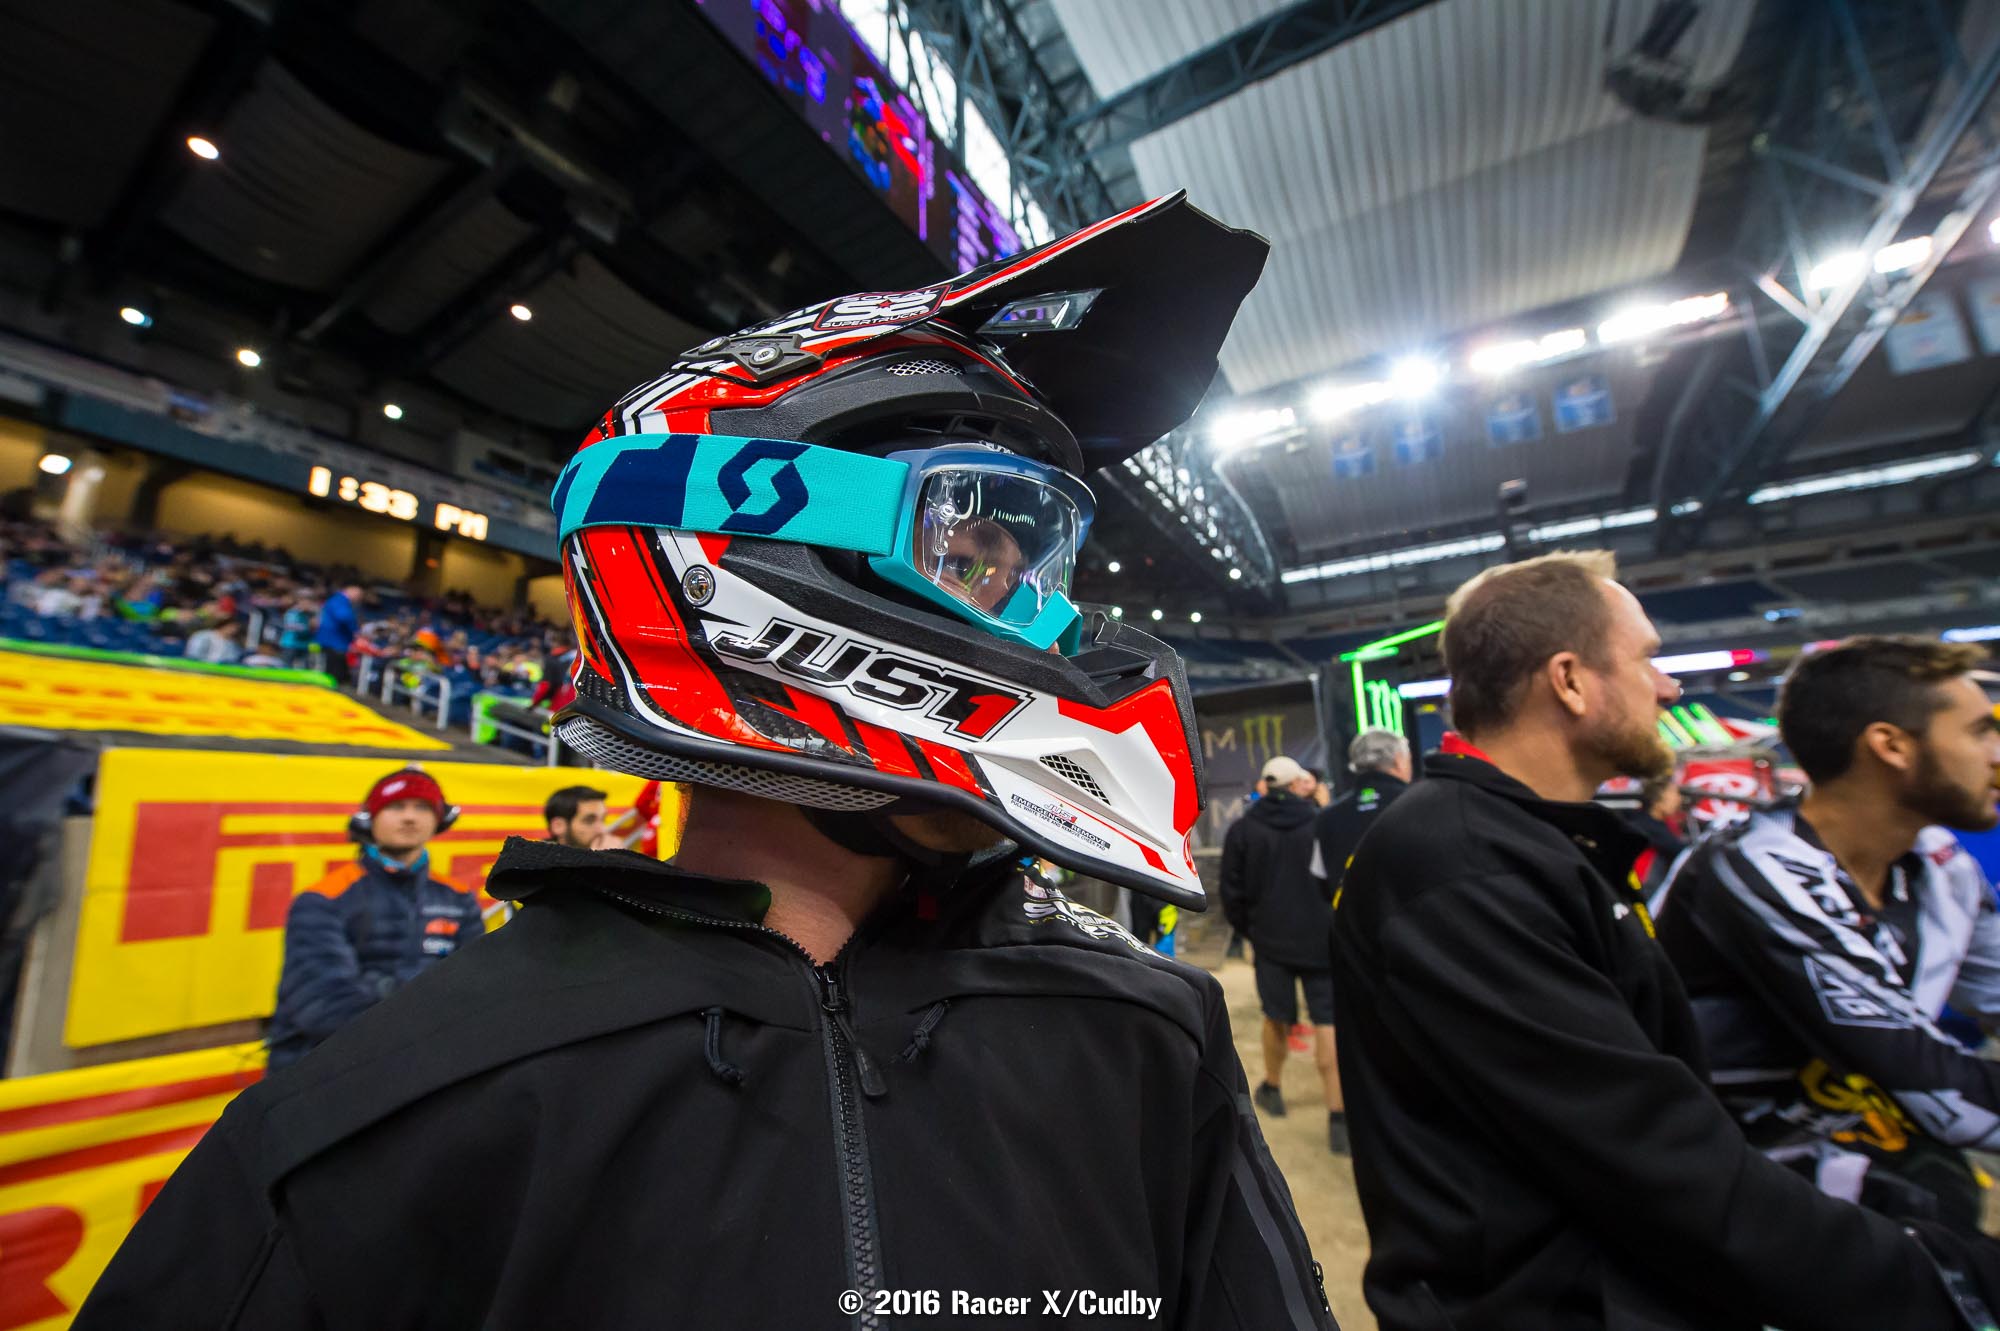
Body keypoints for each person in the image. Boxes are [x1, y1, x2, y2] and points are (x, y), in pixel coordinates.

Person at [78, 196, 1337, 1329]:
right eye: (972, 554)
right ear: (758, 554)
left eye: (1036, 563)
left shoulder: (1147, 1029)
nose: (1036, 616)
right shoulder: (385, 1112)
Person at [1330, 550, 2000, 1331]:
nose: (1671, 686)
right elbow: (1659, 1161)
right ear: (1571, 680)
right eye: (1649, 658)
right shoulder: (1462, 861)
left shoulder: (1538, 844)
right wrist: (1949, 1281)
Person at [1653, 636, 2000, 1233]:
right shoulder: (1759, 868)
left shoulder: (1942, 864)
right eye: (1977, 732)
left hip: (1844, 1165)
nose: (1995, 752)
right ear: (1889, 746)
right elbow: (1931, 1085)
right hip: (1706, 1196)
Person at [262, 767, 484, 1071]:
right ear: (370, 819)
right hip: (321, 1073)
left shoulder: (458, 898)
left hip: (420, 1069)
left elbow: (474, 989)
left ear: (438, 820)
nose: (410, 817)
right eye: (396, 806)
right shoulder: (322, 899)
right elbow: (323, 1006)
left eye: (422, 807)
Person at [1222, 755, 1346, 1153]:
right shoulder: (1321, 823)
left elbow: (1231, 892)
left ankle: (1273, 1089)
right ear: (1297, 785)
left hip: (1271, 940)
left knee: (1275, 1015)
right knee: (1328, 1020)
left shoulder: (1243, 829)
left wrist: (1250, 932)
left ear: (1265, 786)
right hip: (1321, 940)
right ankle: (1338, 1116)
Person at [1309, 728, 1410, 900]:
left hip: (1353, 923)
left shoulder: (1327, 818)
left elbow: (1321, 883)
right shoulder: (1419, 803)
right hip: (1414, 922)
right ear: (1399, 761)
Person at [1625, 767, 1687, 892]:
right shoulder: (1647, 826)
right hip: (1643, 888)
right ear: (1658, 801)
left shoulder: (1664, 823)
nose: (1679, 799)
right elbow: (1679, 851)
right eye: (1674, 794)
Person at [315, 582, 362, 686]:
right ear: (351, 591)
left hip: (334, 640)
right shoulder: (340, 601)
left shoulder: (336, 599)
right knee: (334, 671)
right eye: (358, 595)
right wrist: (355, 630)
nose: (358, 598)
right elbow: (344, 617)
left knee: (333, 668)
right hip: (335, 641)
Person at [544, 783, 611, 850]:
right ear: (558, 826)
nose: (602, 830)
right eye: (589, 821)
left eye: (603, 819)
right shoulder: (538, 858)